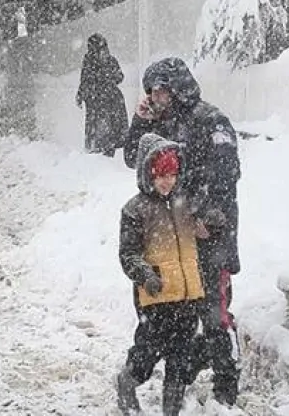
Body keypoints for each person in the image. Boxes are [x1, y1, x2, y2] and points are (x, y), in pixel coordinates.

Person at [123, 57, 242, 406]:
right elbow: (133, 158)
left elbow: (225, 178)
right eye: (151, 91)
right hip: (171, 239)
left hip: (209, 237)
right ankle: (183, 369)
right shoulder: (159, 124)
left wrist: (209, 218)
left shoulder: (210, 121)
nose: (154, 97)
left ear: (176, 87)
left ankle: (226, 384)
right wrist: (140, 121)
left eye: (158, 89)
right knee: (176, 312)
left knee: (213, 312)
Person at [116, 133, 207, 415]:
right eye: (160, 175)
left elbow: (201, 235)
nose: (167, 181)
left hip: (188, 295)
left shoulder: (185, 204)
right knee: (147, 354)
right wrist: (146, 276)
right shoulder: (135, 209)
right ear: (148, 174)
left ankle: (172, 411)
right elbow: (128, 254)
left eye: (172, 174)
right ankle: (127, 381)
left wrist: (210, 225)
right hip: (156, 297)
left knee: (179, 360)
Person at [75, 33, 128, 156]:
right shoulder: (89, 62)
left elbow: (120, 77)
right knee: (101, 126)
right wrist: (81, 94)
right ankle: (99, 149)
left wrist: (109, 79)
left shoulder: (109, 60)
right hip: (97, 99)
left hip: (108, 98)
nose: (104, 51)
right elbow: (85, 80)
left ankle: (109, 147)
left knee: (111, 124)